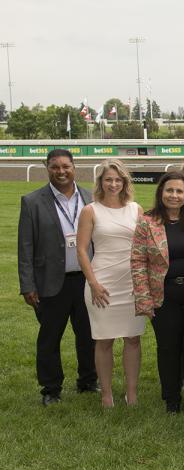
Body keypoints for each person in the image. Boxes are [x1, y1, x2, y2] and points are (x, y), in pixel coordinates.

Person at [18, 149, 97, 405]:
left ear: (74, 167)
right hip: (51, 282)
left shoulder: (90, 197)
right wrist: (27, 285)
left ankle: (88, 381)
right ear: (47, 167)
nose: (61, 171)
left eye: (66, 166)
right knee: (50, 338)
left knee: (88, 335)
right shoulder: (32, 201)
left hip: (86, 280)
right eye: (55, 167)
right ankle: (51, 389)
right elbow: (26, 247)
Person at [131, 172, 184, 413]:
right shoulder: (147, 221)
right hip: (164, 296)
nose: (174, 196)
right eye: (169, 191)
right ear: (161, 193)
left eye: (179, 191)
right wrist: (145, 299)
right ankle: (171, 398)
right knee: (168, 347)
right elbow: (138, 261)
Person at [76, 159, 145, 407]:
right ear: (101, 182)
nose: (113, 184)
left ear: (124, 182)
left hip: (132, 282)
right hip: (101, 282)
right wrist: (93, 283)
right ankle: (106, 395)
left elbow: (145, 246)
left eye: (118, 179)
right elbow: (82, 251)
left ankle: (132, 392)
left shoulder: (136, 209)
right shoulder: (90, 211)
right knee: (103, 340)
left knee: (133, 339)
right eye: (109, 179)